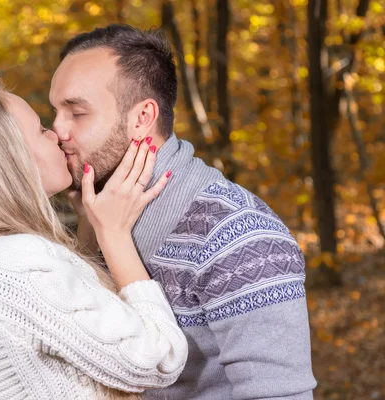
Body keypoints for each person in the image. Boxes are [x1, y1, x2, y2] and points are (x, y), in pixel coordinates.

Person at [50, 24, 317, 399]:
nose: (57, 128)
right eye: (55, 110)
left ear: (142, 118)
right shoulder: (97, 215)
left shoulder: (238, 235)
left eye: (76, 112)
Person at [0, 77, 189, 400]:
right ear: (9, 161)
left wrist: (89, 223)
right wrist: (114, 235)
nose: (56, 134)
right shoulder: (14, 261)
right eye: (41, 130)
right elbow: (160, 358)